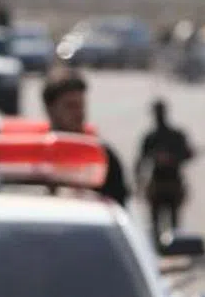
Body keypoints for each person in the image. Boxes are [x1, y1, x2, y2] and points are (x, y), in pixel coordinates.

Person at [42, 67, 129, 206]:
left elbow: (118, 208)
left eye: (81, 105)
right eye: (70, 106)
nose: (79, 113)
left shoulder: (102, 157)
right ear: (50, 109)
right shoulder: (34, 158)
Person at [135, 98, 194, 244]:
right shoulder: (151, 137)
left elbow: (188, 154)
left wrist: (172, 158)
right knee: (156, 225)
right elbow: (141, 161)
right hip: (158, 184)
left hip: (173, 183)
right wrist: (139, 183)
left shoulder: (175, 135)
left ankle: (173, 249)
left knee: (174, 225)